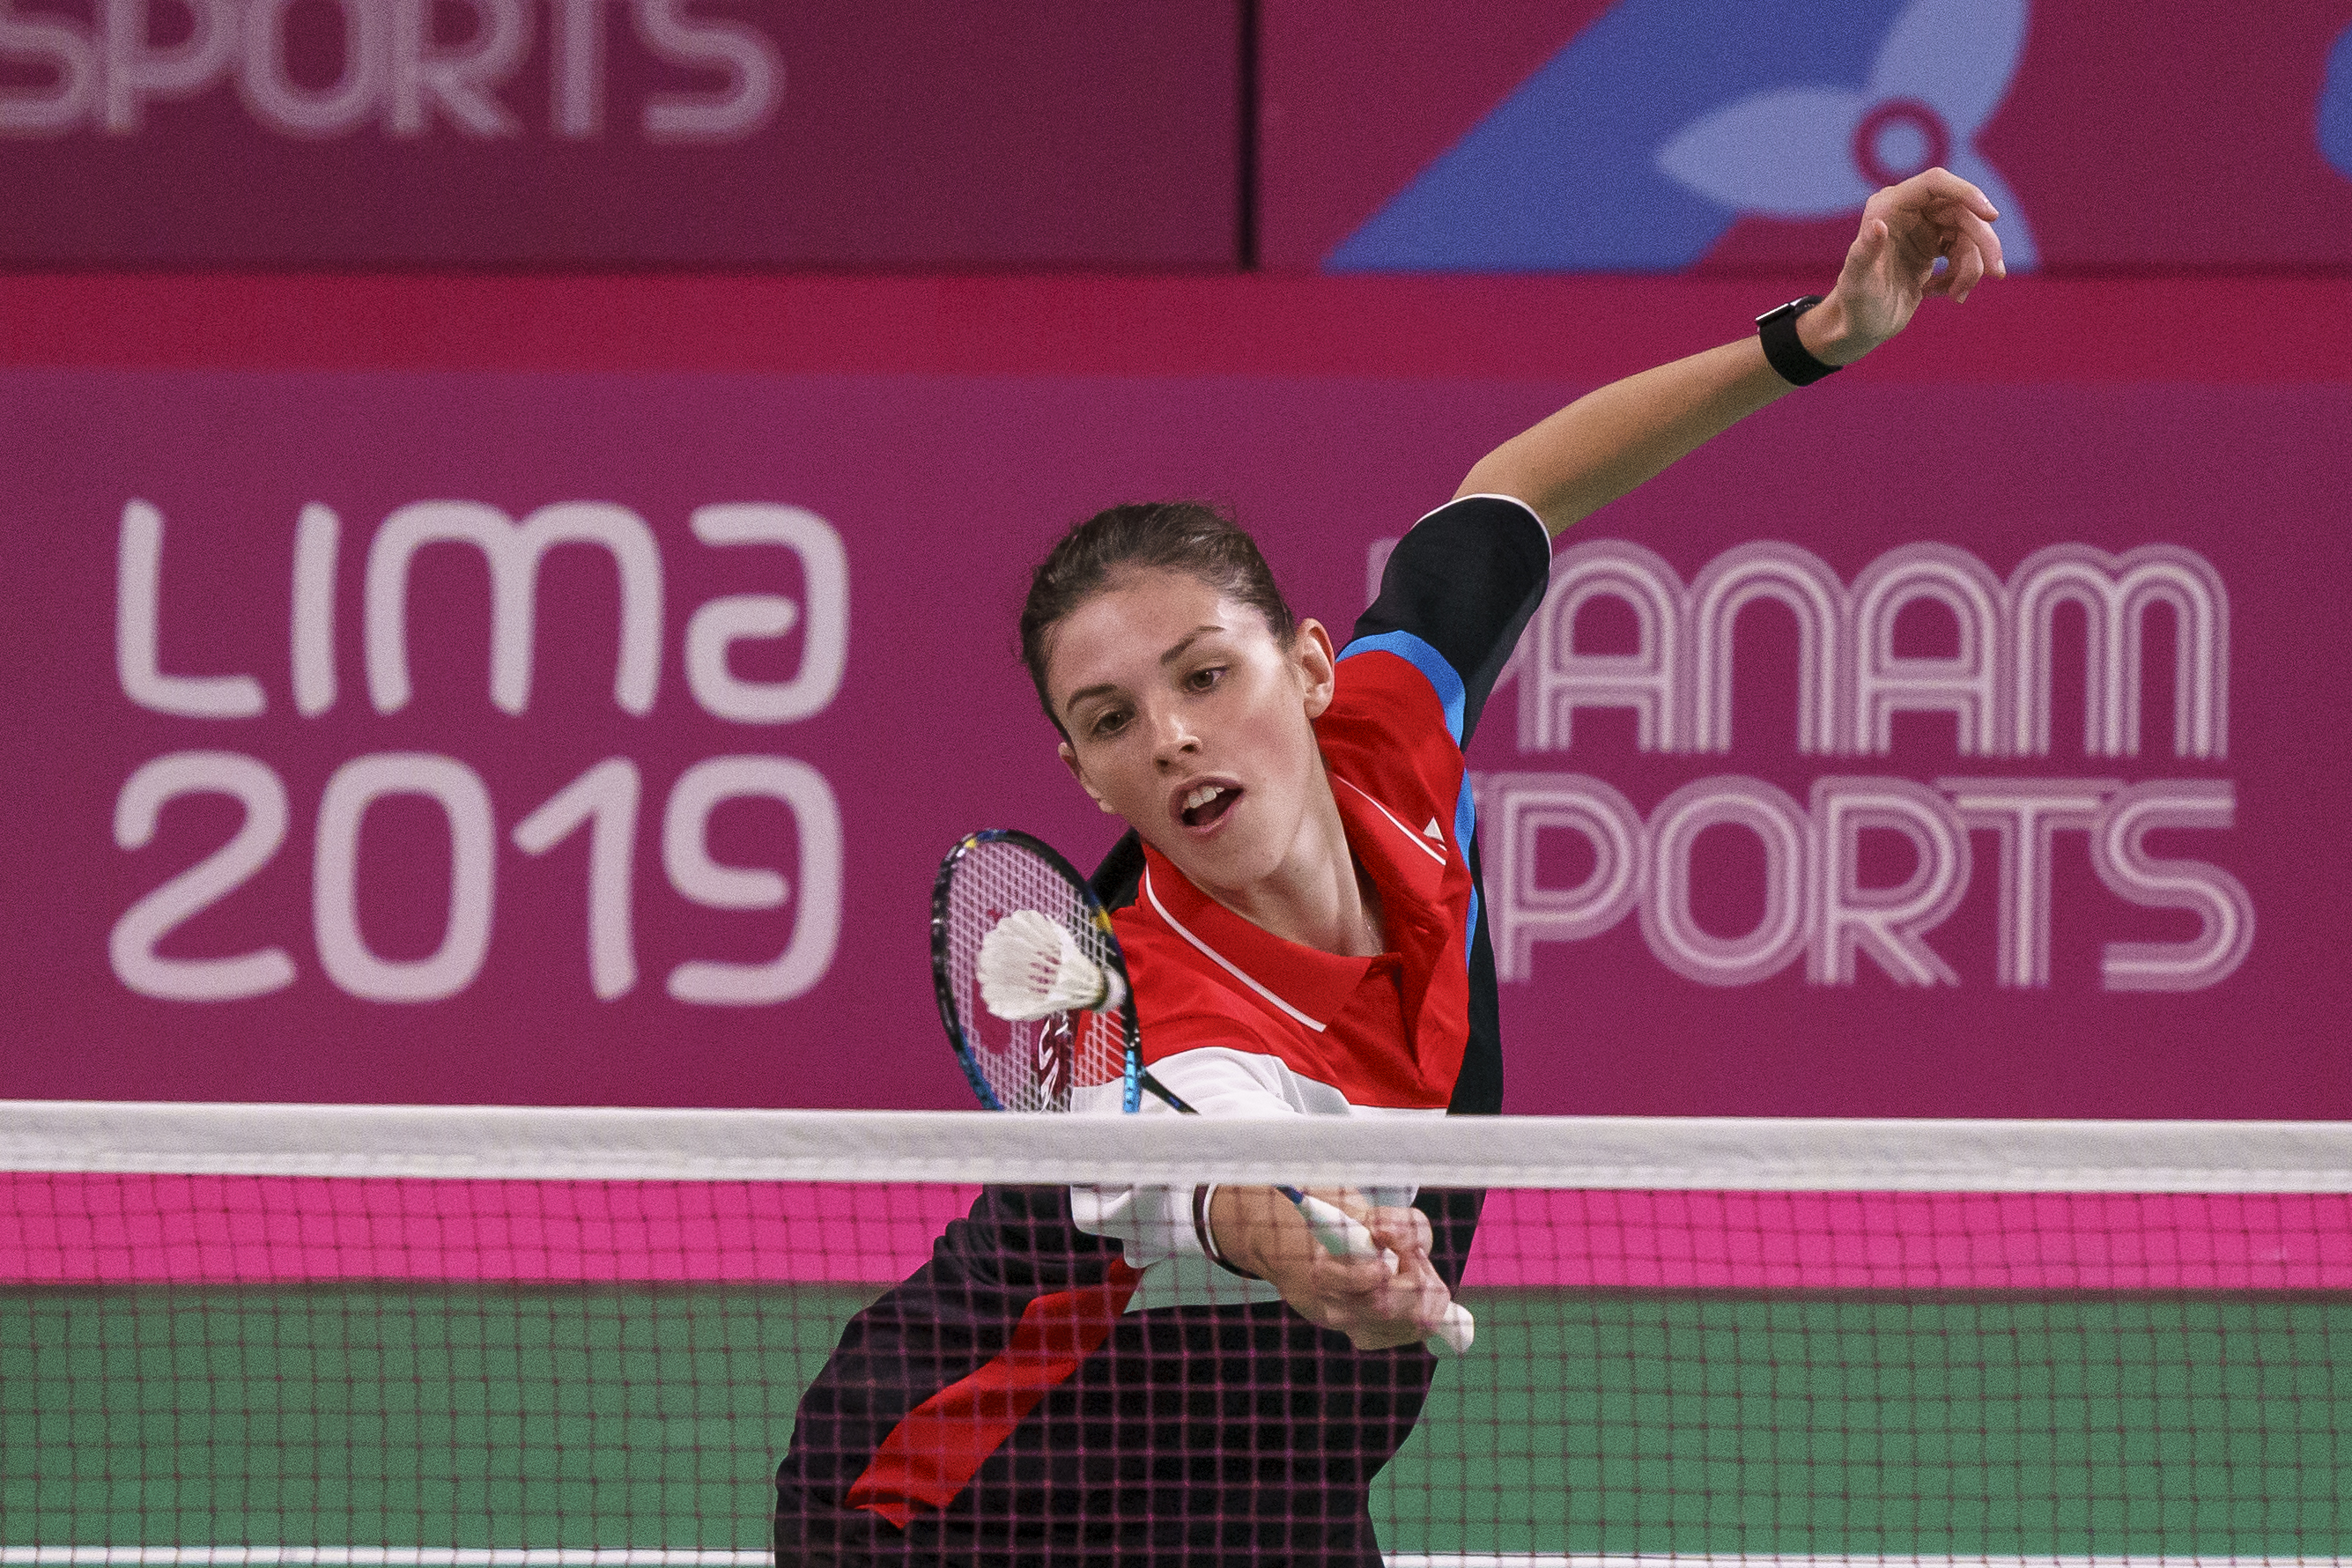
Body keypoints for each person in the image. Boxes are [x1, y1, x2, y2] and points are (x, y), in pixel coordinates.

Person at [774, 169, 2006, 1565]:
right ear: (1081, 773)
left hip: (1267, 1489)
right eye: (1111, 721)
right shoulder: (1139, 1021)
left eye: (1204, 675)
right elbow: (1232, 1191)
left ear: (1307, 669)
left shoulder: (1392, 727)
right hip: (957, 1512)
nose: (1173, 737)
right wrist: (1334, 1272)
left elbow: (1513, 496)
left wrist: (1816, 336)